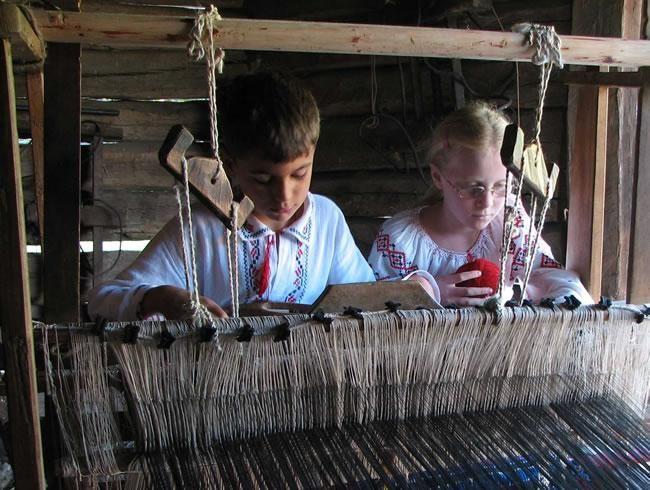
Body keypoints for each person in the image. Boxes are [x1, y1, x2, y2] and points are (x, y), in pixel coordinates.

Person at [88, 71, 375, 321]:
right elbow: (102, 302)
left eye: (299, 174)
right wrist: (160, 298)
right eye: (263, 179)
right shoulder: (201, 230)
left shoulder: (326, 220)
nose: (284, 196)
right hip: (219, 368)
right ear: (230, 163)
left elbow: (368, 300)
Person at [368, 101, 593, 306]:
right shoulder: (400, 242)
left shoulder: (509, 221)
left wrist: (565, 302)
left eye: (501, 187)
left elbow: (548, 273)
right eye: (473, 189)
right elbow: (370, 306)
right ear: (438, 177)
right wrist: (427, 292)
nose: (487, 203)